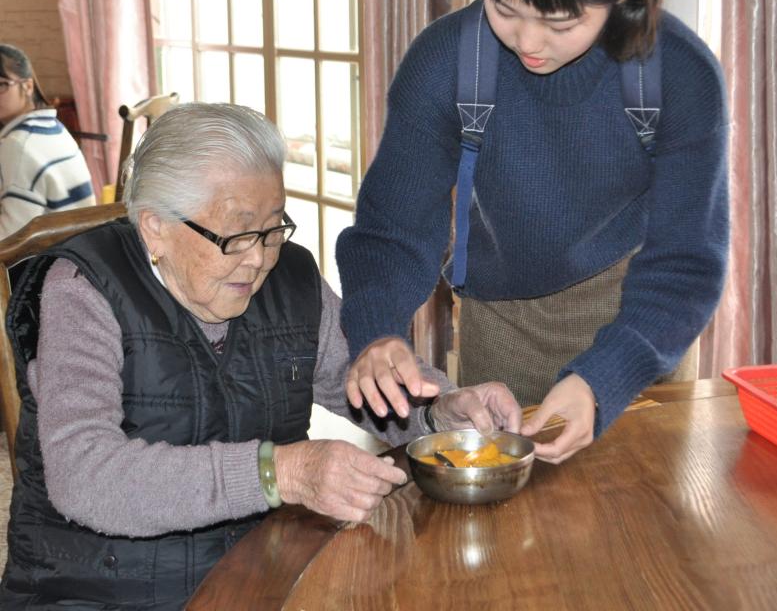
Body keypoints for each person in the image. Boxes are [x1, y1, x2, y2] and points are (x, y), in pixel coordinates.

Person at [0, 102, 521, 610]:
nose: (258, 259)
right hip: (102, 587)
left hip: (262, 566)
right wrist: (279, 473)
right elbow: (86, 475)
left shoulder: (289, 275)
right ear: (155, 226)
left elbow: (352, 377)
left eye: (273, 228)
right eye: (237, 233)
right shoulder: (83, 288)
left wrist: (439, 413)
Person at [336, 0, 729, 465]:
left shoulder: (679, 73)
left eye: (559, 23)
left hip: (640, 319)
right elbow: (394, 229)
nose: (527, 42)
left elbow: (685, 259)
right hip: (502, 321)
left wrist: (604, 377)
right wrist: (378, 330)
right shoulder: (446, 62)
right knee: (509, 512)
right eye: (505, 9)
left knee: (642, 510)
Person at [0, 44, 95, 238]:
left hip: (54, 253)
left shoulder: (18, 145)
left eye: (1, 85)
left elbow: (11, 240)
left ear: (28, 86)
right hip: (81, 245)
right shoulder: (53, 127)